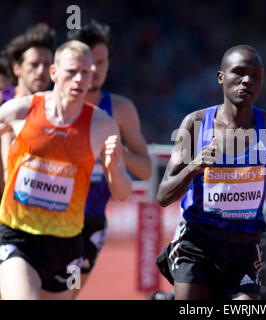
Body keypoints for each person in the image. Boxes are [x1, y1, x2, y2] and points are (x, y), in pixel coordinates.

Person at [155, 44, 266, 300]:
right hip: (198, 240)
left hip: (246, 244)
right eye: (239, 72)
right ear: (221, 77)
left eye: (256, 75)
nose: (247, 80)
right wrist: (195, 166)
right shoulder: (196, 124)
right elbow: (163, 195)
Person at [0, 40, 132, 300]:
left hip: (68, 244)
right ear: (54, 73)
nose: (79, 79)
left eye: (86, 72)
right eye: (72, 71)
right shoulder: (20, 111)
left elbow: (124, 191)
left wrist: (113, 168)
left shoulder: (101, 126)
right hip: (17, 235)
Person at [67, 20, 151, 297]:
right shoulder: (52, 105)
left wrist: (116, 152)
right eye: (88, 61)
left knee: (66, 295)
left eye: (101, 62)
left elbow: (147, 169)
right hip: (46, 216)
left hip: (89, 224)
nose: (94, 70)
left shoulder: (120, 109)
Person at [0, 23, 56, 197]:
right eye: (34, 64)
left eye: (47, 64)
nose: (41, 71)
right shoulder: (3, 102)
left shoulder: (58, 112)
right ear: (17, 67)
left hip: (37, 211)